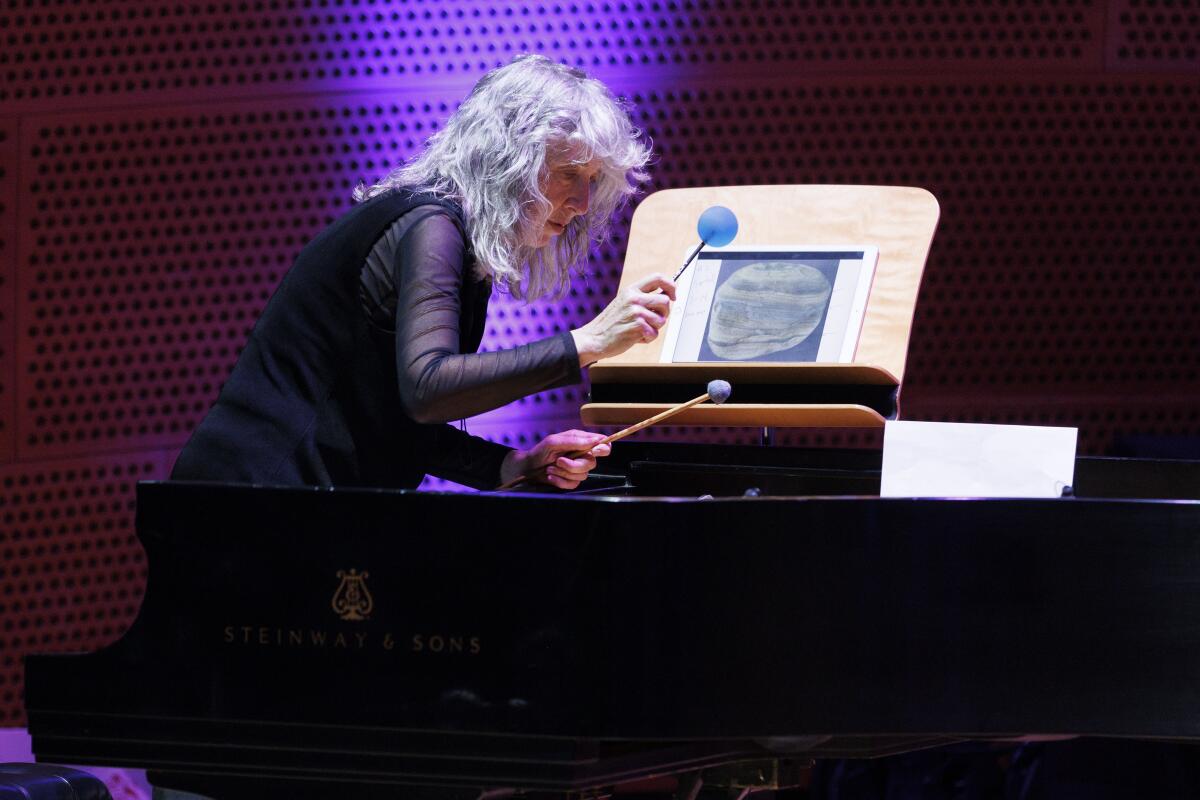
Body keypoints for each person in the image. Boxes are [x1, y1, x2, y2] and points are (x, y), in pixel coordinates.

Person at [171, 55, 675, 492]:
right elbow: (427, 388)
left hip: (284, 499)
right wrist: (587, 342)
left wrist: (510, 464)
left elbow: (396, 417)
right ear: (510, 159)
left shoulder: (455, 236)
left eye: (592, 181)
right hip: (250, 496)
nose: (584, 203)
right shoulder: (432, 225)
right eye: (569, 174)